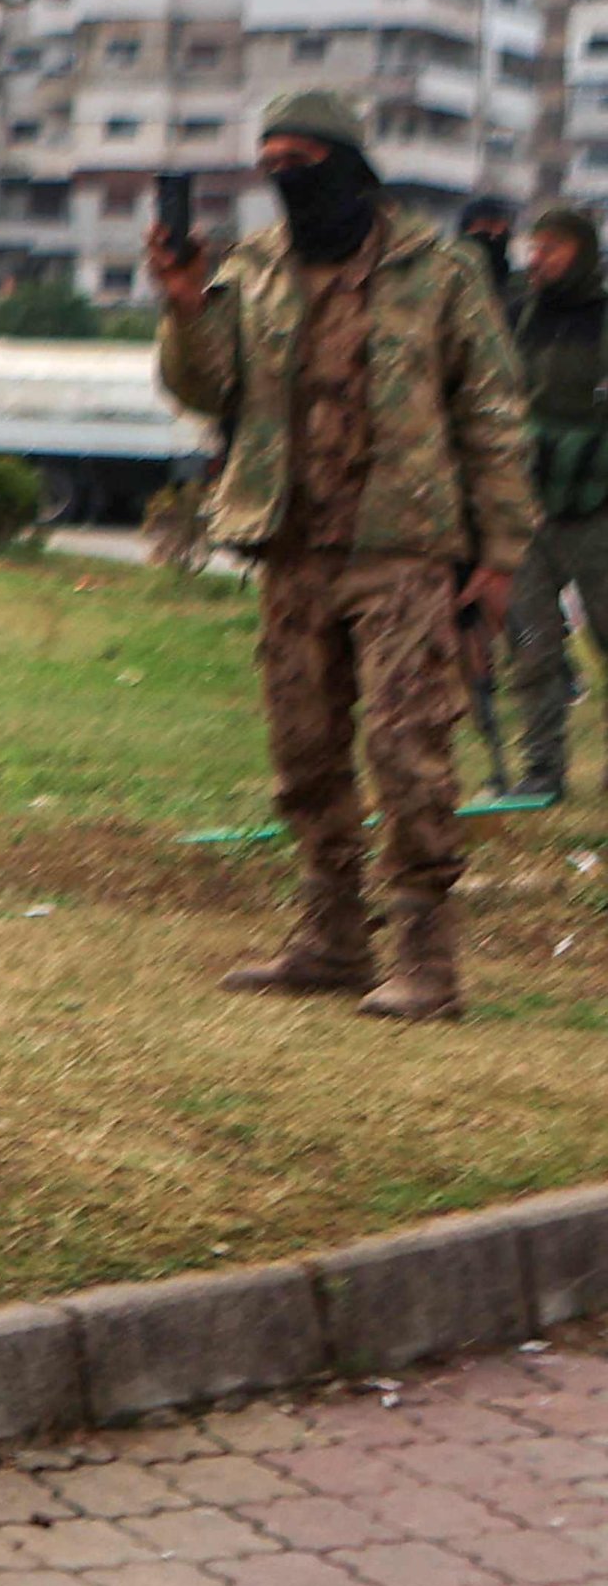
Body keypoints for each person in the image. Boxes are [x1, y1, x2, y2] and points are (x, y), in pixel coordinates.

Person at [149, 91, 532, 1019]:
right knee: (304, 753)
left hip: (403, 545)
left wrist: (500, 553)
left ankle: (425, 961)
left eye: (303, 160)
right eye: (270, 162)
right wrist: (182, 307)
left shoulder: (434, 270)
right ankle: (330, 941)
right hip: (290, 546)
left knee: (407, 748)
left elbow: (491, 415)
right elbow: (207, 390)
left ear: (351, 169)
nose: (286, 177)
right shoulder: (255, 268)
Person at [503, 208, 606, 800]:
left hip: (598, 504)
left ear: (582, 251)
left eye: (553, 248)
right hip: (529, 503)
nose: (538, 259)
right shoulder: (519, 316)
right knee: (532, 643)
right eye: (534, 247)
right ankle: (542, 771)